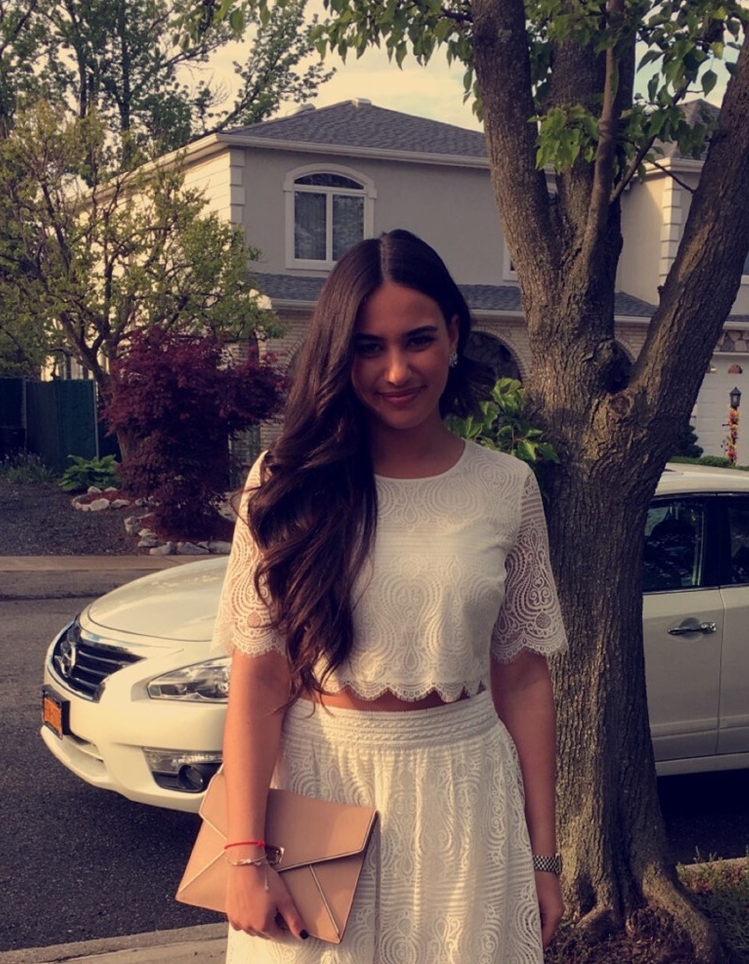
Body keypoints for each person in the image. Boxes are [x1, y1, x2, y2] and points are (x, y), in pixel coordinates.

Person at [212, 228, 567, 963]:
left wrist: (544, 858)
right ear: (339, 354)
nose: (397, 370)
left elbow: (526, 679)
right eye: (368, 347)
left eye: (419, 339)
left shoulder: (509, 487)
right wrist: (245, 855)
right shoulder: (286, 486)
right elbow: (257, 683)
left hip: (466, 787)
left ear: (456, 336)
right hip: (318, 786)